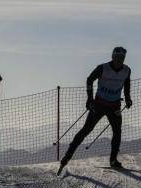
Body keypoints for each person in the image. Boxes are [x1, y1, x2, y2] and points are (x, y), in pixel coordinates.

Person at [57, 46, 133, 175]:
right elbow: (89, 79)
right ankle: (67, 157)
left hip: (114, 105)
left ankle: (113, 160)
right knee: (86, 130)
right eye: (117, 57)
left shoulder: (127, 70)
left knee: (117, 131)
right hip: (99, 104)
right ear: (112, 57)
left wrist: (127, 98)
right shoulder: (102, 68)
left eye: (122, 58)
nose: (119, 60)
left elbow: (126, 83)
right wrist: (89, 99)